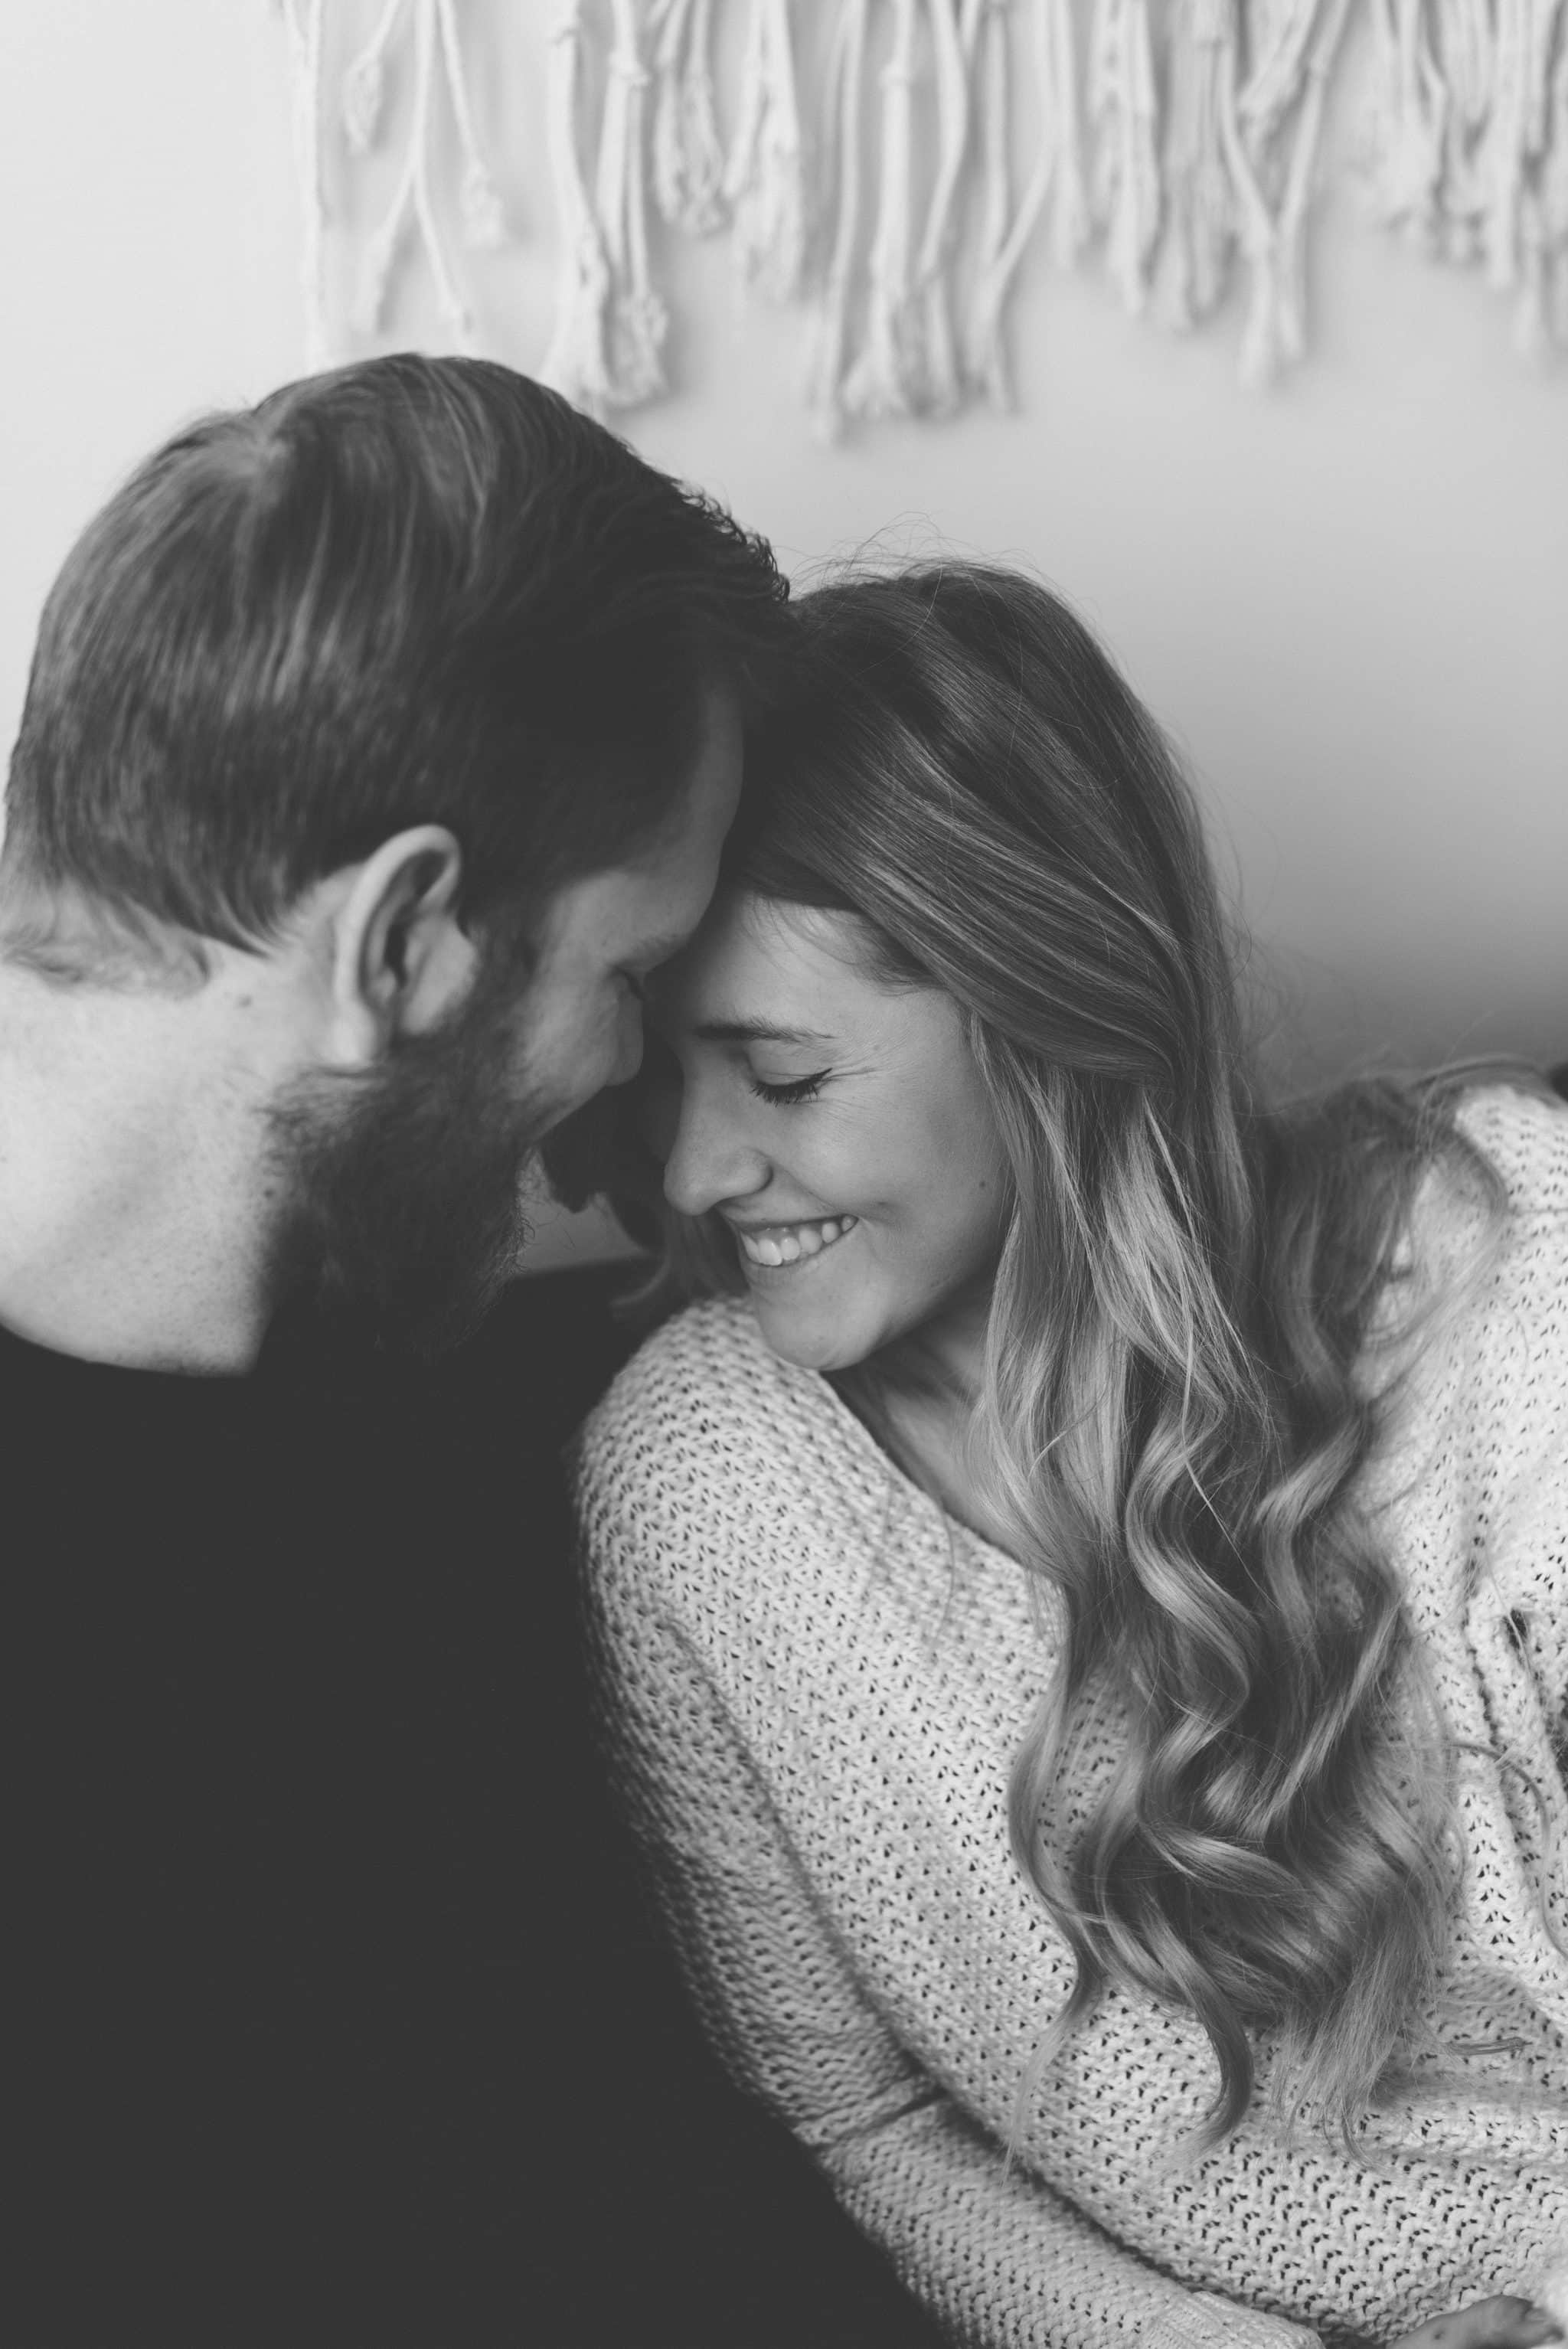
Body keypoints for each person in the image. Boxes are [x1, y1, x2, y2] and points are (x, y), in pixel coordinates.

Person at [3, 355, 946, 2345]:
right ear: (404, 938)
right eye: (624, 973)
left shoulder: (451, 1378)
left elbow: (603, 2154)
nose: (632, 1081)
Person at [574, 562, 1568, 2349]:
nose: (693, 1174)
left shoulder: (1501, 1275)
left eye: (783, 1080)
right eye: (656, 1079)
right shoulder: (695, 1486)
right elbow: (859, 2122)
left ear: (1048, 1014)